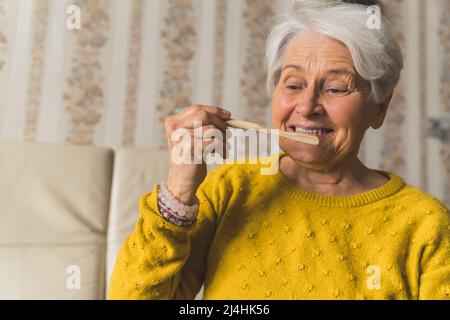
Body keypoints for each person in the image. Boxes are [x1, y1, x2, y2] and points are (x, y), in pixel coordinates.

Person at [109, 0, 450, 299]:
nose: (307, 106)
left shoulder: (426, 223)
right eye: (293, 84)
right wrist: (180, 189)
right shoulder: (229, 189)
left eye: (334, 87)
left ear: (379, 108)